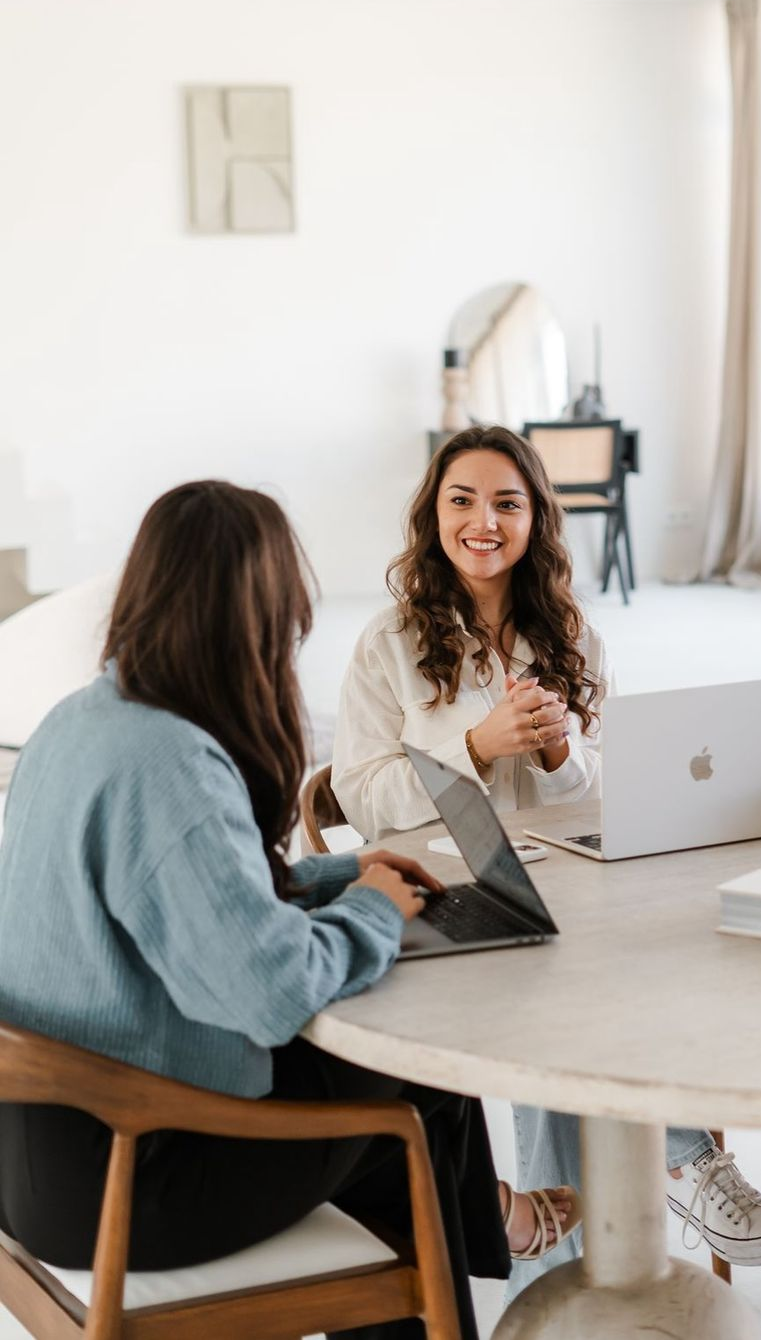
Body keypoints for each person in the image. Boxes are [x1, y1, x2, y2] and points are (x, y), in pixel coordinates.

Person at [0, 481, 580, 1340]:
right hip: (132, 1175)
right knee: (417, 1093)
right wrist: (378, 911)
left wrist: (335, 876)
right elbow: (272, 990)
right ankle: (486, 1232)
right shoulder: (171, 763)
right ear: (259, 613)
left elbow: (171, 892)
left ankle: (484, 1233)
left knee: (407, 1099)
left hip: (36, 1162)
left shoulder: (84, 719)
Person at [333, 426, 761, 1290]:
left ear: (536, 517)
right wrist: (473, 744)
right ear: (432, 515)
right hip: (446, 888)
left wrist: (556, 757)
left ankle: (561, 1267)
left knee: (660, 946)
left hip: (561, 879)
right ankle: (688, 1159)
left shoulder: (570, 631)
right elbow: (360, 797)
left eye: (507, 503)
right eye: (461, 501)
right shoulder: (387, 643)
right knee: (554, 992)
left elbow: (601, 786)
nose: (483, 522)